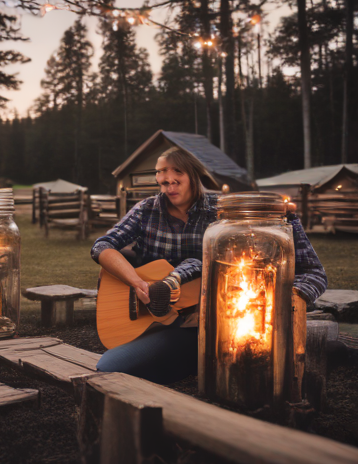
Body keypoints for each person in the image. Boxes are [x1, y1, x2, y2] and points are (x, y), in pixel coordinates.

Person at [91, 146, 328, 385]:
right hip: (161, 321)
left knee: (240, 359)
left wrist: (287, 301)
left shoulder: (225, 213)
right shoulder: (147, 209)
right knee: (110, 367)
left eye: (176, 171)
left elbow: (310, 272)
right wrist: (139, 283)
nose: (167, 179)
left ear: (193, 175)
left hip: (216, 318)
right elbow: (102, 246)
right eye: (161, 171)